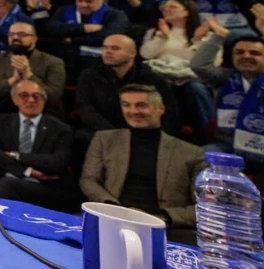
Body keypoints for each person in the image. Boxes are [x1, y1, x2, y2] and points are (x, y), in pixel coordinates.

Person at [81, 85, 207, 243]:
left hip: (165, 228)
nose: (133, 111)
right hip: (111, 218)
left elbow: (203, 208)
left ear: (160, 109)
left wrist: (162, 217)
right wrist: (113, 208)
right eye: (126, 105)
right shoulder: (104, 139)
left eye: (141, 105)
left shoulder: (192, 153)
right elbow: (89, 180)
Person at [0, 78, 75, 212]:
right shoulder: (0, 121)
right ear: (14, 99)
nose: (31, 100)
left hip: (43, 188)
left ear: (44, 100)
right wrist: (27, 171)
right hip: (5, 178)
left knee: (6, 185)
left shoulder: (60, 129)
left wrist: (18, 156)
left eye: (36, 96)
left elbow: (58, 162)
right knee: (3, 184)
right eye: (24, 95)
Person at [75, 34, 178, 147]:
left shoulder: (151, 79)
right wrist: (112, 132)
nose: (108, 52)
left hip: (141, 130)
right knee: (82, 137)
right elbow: (84, 107)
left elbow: (169, 112)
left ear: (132, 53)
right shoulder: (89, 75)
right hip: (103, 130)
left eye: (115, 48)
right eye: (105, 47)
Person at [140, 0, 216, 135]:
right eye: (165, 7)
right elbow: (146, 55)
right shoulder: (154, 32)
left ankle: (208, 133)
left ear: (187, 12)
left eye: (173, 7)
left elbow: (212, 63)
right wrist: (162, 38)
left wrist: (198, 41)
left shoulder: (205, 34)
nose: (166, 10)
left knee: (196, 89)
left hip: (190, 77)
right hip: (162, 76)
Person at [191, 27, 264, 159]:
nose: (246, 56)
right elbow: (199, 66)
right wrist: (218, 37)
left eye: (254, 53)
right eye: (239, 52)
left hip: (261, 145)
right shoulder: (225, 77)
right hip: (227, 144)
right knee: (199, 158)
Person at [44, 0, 130, 78]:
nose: (83, 5)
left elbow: (109, 37)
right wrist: (83, 28)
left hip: (99, 63)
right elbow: (51, 28)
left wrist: (73, 39)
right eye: (79, 1)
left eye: (89, 1)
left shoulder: (116, 15)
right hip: (66, 60)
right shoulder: (64, 11)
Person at [0, 22, 66, 118]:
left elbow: (53, 96)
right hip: (3, 111)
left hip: (42, 112)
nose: (15, 37)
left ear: (34, 39)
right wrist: (12, 80)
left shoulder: (53, 62)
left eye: (22, 34)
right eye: (11, 34)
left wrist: (28, 75)